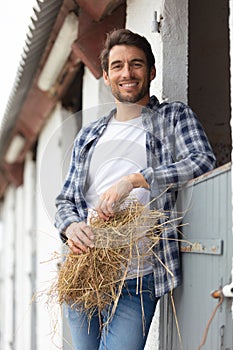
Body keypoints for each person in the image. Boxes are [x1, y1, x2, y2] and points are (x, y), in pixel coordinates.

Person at [55, 29, 216, 350]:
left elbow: (202, 162)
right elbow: (66, 200)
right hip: (84, 272)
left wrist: (135, 180)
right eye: (117, 66)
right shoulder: (90, 134)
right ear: (105, 76)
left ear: (151, 71)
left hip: (138, 277)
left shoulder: (174, 117)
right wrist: (71, 227)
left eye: (136, 64)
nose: (127, 73)